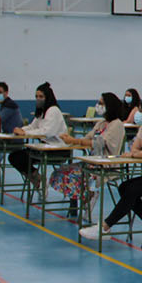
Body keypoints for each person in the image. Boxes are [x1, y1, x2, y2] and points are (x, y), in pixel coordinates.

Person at [79, 100, 142, 243]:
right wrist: (136, 152)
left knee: (131, 189)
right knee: (124, 187)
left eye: (140, 111)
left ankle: (105, 227)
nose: (137, 114)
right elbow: (135, 149)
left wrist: (136, 153)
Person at [47, 91, 127, 219]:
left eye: (101, 103)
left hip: (106, 165)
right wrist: (69, 139)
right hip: (91, 162)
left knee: (72, 175)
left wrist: (75, 141)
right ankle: (81, 198)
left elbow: (98, 143)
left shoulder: (117, 125)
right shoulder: (101, 123)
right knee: (61, 172)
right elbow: (87, 138)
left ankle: (89, 195)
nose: (98, 105)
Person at [8, 82, 67, 183]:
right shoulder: (42, 111)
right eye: (36, 96)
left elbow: (47, 132)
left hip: (57, 149)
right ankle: (36, 177)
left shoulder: (53, 110)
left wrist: (25, 134)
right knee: (14, 157)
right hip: (44, 147)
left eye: (41, 96)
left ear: (47, 97)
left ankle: (37, 178)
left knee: (19, 157)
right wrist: (22, 130)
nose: (38, 99)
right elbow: (32, 126)